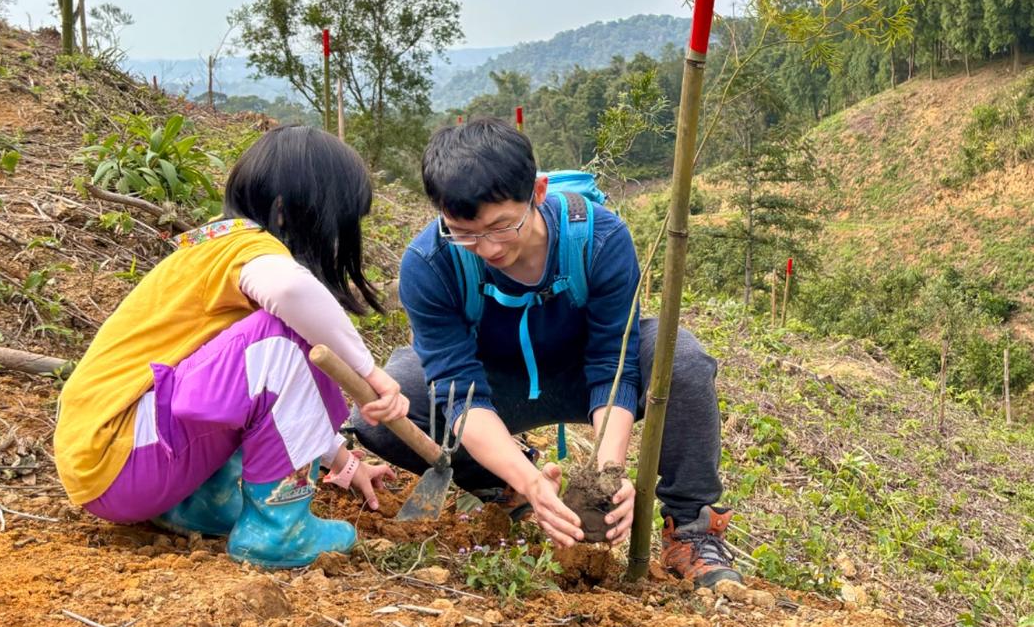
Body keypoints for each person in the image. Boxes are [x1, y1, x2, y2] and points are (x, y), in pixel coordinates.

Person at [352, 118, 742, 587]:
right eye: (465, 233)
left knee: (678, 358)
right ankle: (504, 483)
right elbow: (460, 391)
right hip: (497, 385)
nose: (487, 248)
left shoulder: (599, 239)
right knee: (394, 406)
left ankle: (692, 531)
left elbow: (609, 364)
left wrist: (608, 474)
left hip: (581, 373)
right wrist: (530, 481)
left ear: (537, 192)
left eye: (501, 227)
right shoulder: (430, 264)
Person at [55, 126, 406, 569]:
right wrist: (368, 375)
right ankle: (279, 533)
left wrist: (344, 462)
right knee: (284, 336)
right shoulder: (248, 249)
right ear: (284, 212)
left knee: (276, 346)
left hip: (109, 464)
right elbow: (291, 292)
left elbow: (272, 402)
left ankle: (200, 502)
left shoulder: (208, 249)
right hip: (125, 458)